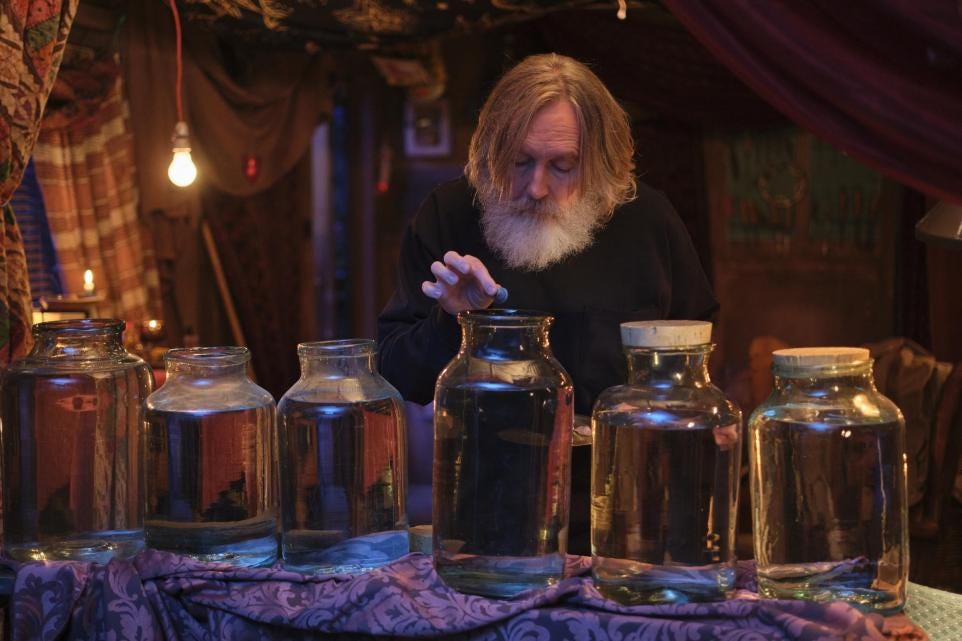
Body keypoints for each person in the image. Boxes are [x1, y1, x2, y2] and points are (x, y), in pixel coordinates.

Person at [377, 53, 717, 550]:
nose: (536, 187)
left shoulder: (648, 221)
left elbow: (697, 362)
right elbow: (396, 373)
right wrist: (453, 320)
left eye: (562, 166)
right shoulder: (450, 214)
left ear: (599, 162)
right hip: (490, 518)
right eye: (519, 162)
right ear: (491, 149)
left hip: (633, 513)